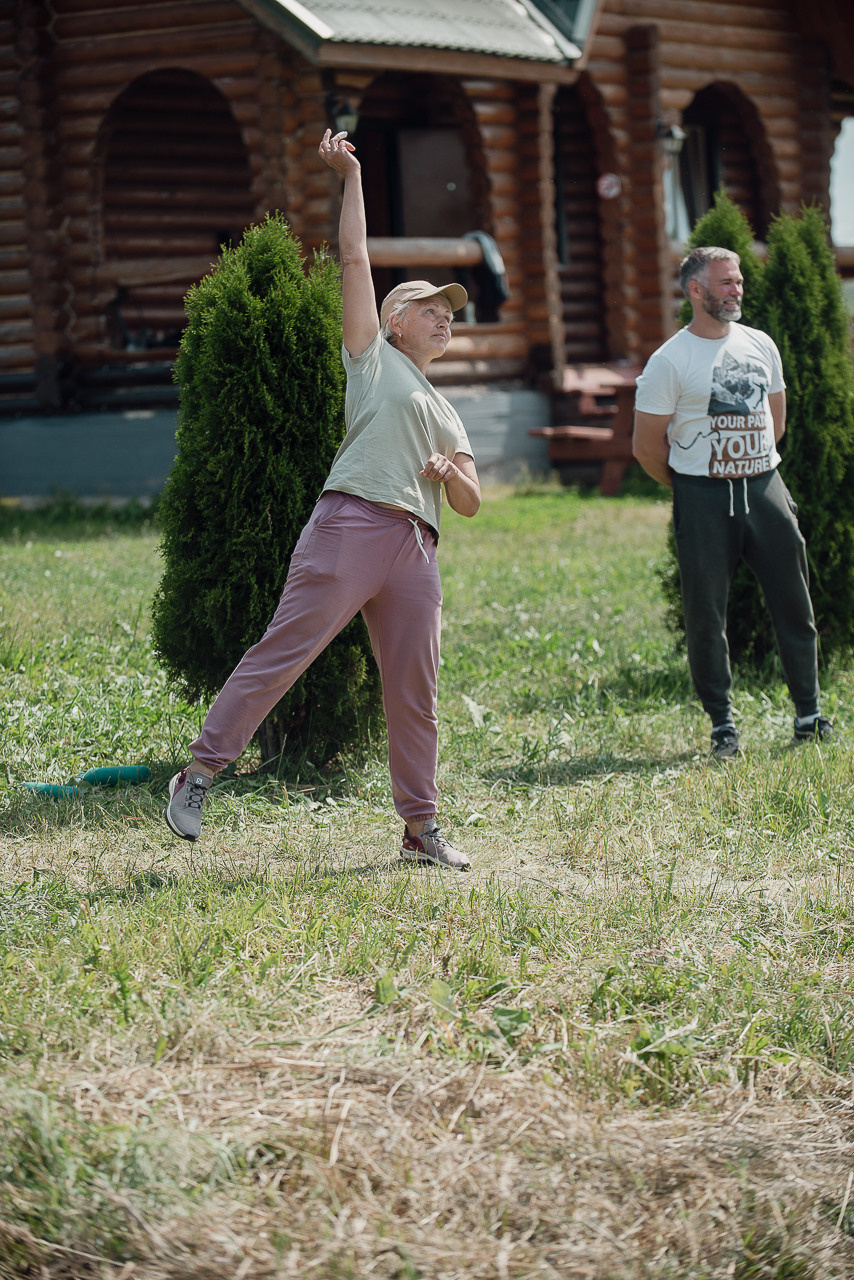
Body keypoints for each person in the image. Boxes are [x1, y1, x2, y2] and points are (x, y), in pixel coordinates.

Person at [164, 127, 481, 868]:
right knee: (286, 652)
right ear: (393, 321)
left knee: (414, 693)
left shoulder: (447, 407)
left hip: (416, 550)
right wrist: (352, 178)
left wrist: (450, 472)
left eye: (450, 311)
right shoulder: (372, 362)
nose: (442, 316)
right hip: (351, 524)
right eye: (428, 305)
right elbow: (354, 257)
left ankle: (419, 831)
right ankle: (200, 771)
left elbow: (469, 502)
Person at [633, 245, 833, 760]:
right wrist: (691, 486)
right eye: (725, 282)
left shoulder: (761, 344)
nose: (737, 289)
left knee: (795, 603)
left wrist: (751, 465)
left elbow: (776, 421)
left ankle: (809, 715)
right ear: (696, 290)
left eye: (738, 280)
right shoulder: (669, 361)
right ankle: (723, 727)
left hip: (765, 487)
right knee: (705, 617)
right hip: (702, 499)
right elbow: (645, 446)